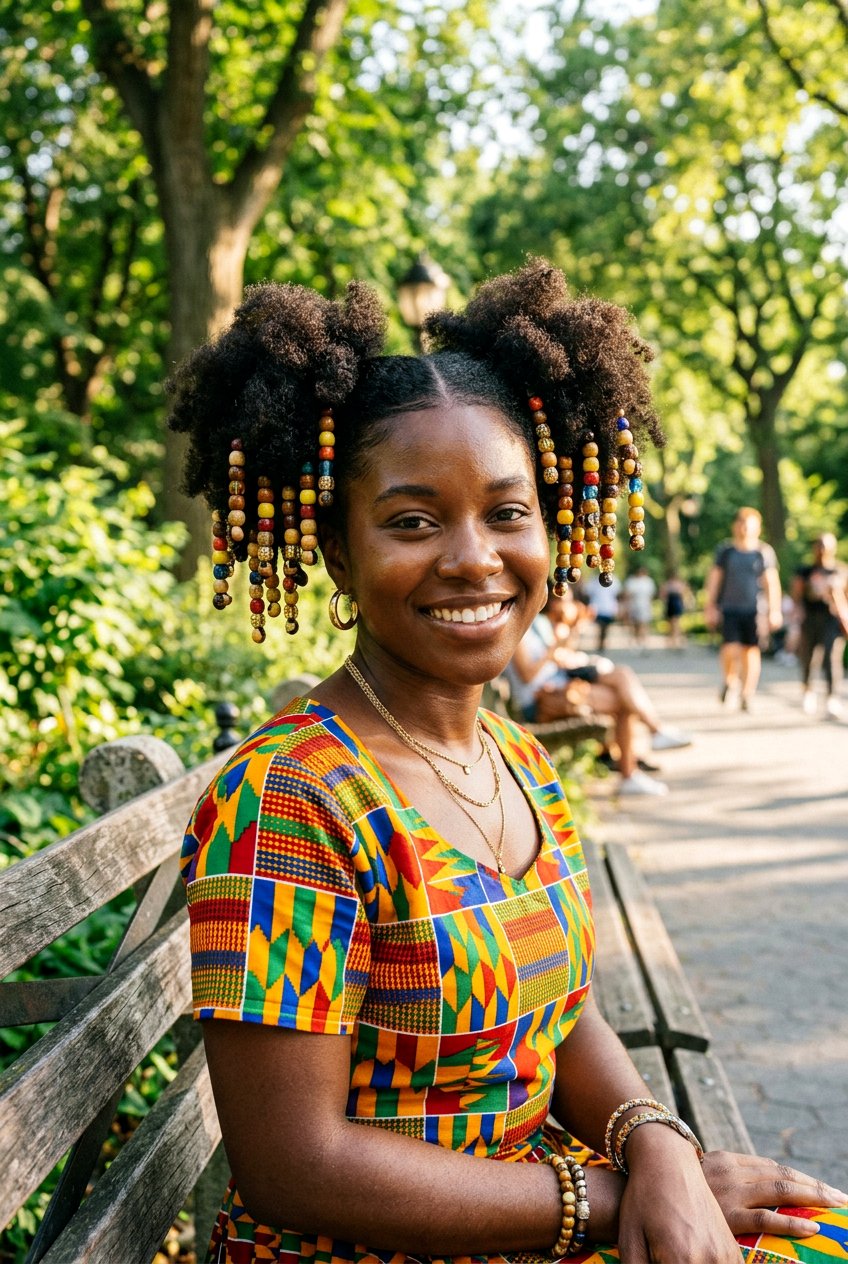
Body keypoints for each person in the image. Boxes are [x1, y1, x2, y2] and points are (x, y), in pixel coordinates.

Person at [170, 262, 846, 1264]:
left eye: (505, 511)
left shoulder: (515, 755)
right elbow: (292, 1162)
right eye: (411, 520)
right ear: (338, 552)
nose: (472, 556)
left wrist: (654, 1142)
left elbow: (561, 1017)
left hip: (539, 1209)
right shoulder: (289, 796)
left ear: (550, 523)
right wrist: (610, 1198)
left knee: (817, 1227)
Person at [507, 588, 692, 797]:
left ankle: (647, 745)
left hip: (559, 688)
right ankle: (636, 762)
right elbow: (527, 676)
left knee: (622, 676)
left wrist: (572, 635)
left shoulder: (536, 624)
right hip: (541, 701)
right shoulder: (515, 630)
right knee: (622, 698)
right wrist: (553, 650)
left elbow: (554, 657)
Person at [704, 507, 782, 712]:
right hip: (729, 608)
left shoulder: (763, 552)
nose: (744, 529)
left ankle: (747, 693)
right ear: (735, 526)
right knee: (729, 648)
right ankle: (729, 681)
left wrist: (775, 611)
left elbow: (771, 583)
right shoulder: (726, 551)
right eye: (741, 524)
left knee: (751, 651)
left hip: (755, 610)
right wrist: (710, 606)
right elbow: (714, 580)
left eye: (749, 525)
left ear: (758, 528)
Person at [792, 532, 848, 719]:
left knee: (832, 658)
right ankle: (807, 690)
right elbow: (797, 595)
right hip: (810, 618)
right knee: (808, 656)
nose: (822, 549)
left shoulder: (840, 571)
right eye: (819, 545)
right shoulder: (805, 571)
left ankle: (832, 697)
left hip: (832, 620)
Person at [622, 565, 656, 650]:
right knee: (634, 625)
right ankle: (635, 641)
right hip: (634, 606)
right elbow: (627, 595)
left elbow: (651, 595)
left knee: (643, 624)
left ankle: (643, 642)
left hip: (644, 606)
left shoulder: (649, 582)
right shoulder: (632, 581)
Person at [587, 572, 620, 651]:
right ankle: (600, 642)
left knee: (605, 627)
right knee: (600, 626)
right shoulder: (594, 580)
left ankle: (602, 642)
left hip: (608, 607)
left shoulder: (613, 579)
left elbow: (617, 594)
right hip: (598, 607)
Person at [659, 572, 690, 650]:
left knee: (675, 622)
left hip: (676, 603)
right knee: (671, 623)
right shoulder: (668, 584)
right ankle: (673, 640)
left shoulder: (678, 584)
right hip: (671, 603)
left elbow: (684, 593)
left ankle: (676, 640)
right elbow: (663, 594)